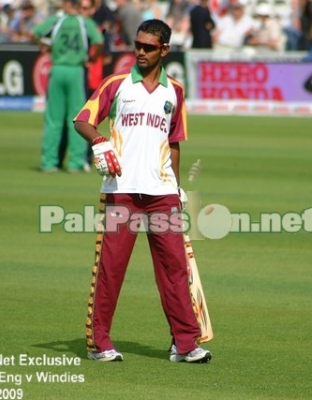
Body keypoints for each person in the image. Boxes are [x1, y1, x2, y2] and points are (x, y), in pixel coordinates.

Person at [73, 18, 212, 363]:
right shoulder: (116, 84)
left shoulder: (174, 91)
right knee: (111, 269)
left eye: (149, 47)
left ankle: (185, 343)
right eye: (137, 45)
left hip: (162, 193)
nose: (140, 52)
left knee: (175, 269)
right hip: (122, 191)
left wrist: (177, 189)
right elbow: (82, 120)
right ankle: (99, 343)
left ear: (164, 50)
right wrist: (99, 141)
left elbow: (175, 143)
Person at [32, 0, 103, 173]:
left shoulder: (57, 20)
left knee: (53, 119)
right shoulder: (84, 22)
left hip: (57, 69)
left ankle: (49, 162)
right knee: (77, 118)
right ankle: (76, 162)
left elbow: (35, 33)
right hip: (76, 70)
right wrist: (93, 59)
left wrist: (44, 47)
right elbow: (99, 41)